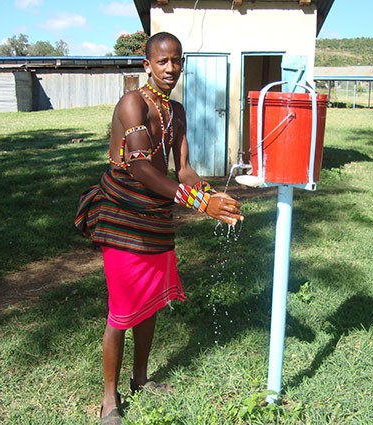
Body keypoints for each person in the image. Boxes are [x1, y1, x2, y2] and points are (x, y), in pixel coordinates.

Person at [75, 32, 243, 424]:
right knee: (121, 311)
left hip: (155, 219)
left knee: (148, 304)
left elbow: (181, 169)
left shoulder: (177, 111)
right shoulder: (132, 103)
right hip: (121, 216)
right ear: (146, 64)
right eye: (163, 61)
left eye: (177, 61)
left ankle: (140, 379)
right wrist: (200, 203)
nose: (171, 69)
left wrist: (213, 194)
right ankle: (108, 399)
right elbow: (140, 167)